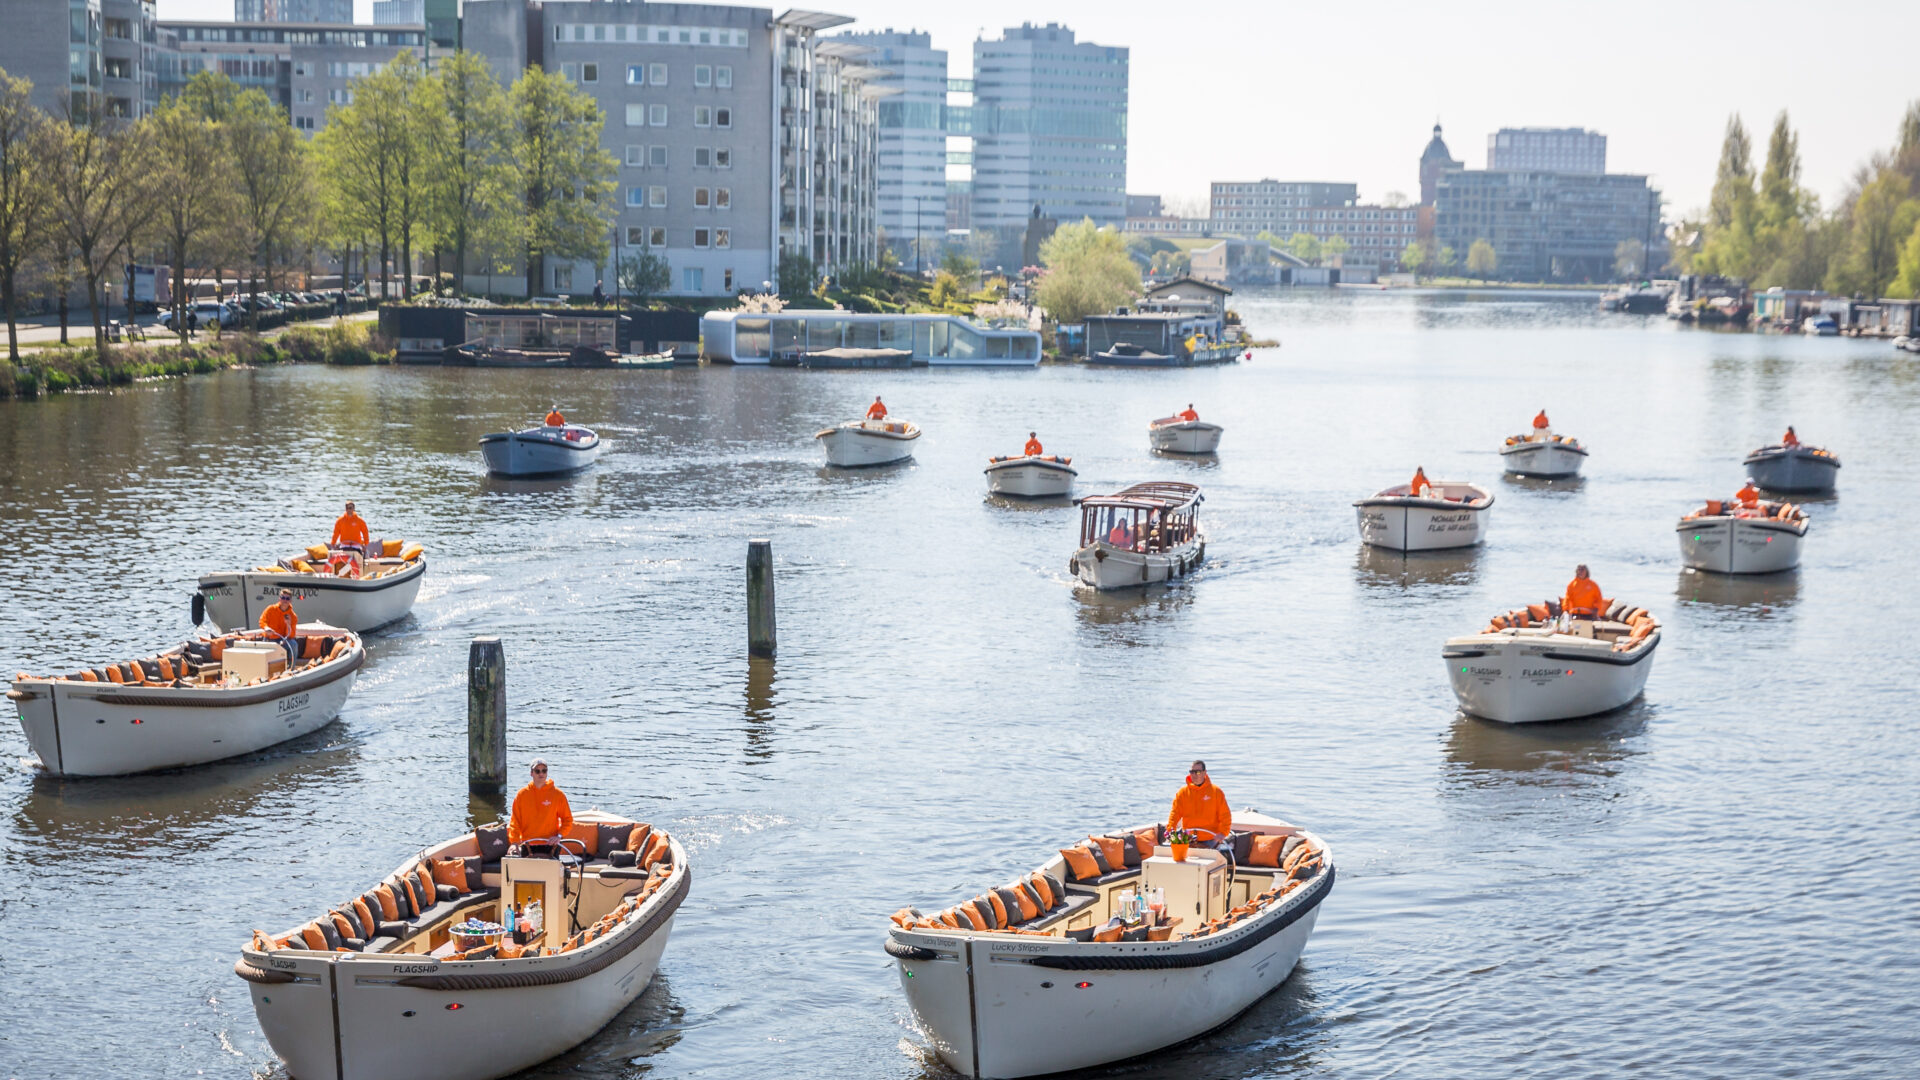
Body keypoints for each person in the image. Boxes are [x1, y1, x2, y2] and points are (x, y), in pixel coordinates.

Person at [508, 758, 574, 854]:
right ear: (531, 773)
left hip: (551, 845)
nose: (541, 774)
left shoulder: (558, 794)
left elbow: (568, 820)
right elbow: (515, 821)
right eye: (537, 771)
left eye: (544, 770)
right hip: (528, 844)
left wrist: (559, 836)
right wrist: (514, 842)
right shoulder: (521, 795)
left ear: (547, 773)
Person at [1167, 761, 1232, 854]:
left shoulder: (1216, 792)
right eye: (1192, 772)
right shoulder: (1182, 793)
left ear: (1205, 773)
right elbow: (1175, 813)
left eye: (1198, 772)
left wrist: (1223, 833)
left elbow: (1225, 815)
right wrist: (1170, 830)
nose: (1194, 775)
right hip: (1188, 838)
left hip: (1210, 839)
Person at [259, 589, 300, 663]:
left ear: (290, 601)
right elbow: (262, 621)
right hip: (269, 639)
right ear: (279, 598)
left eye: (287, 598)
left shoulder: (293, 616)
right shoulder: (270, 609)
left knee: (293, 644)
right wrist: (266, 628)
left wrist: (288, 625)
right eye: (283, 597)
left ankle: (291, 668)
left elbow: (291, 635)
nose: (285, 600)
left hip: (282, 641)